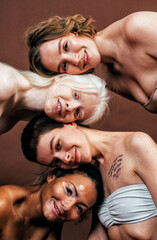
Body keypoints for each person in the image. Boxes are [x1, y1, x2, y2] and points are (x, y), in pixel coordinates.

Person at [21, 113, 157, 239]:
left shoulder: (137, 144)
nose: (65, 158)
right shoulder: (92, 176)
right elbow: (100, 234)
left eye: (58, 145)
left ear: (69, 124)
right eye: (56, 162)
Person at [27, 11, 157, 113]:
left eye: (66, 47)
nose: (75, 60)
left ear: (71, 31)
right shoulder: (110, 79)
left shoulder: (136, 27)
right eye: (64, 65)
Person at [0, 163, 104, 240]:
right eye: (69, 191)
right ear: (53, 175)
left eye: (79, 208)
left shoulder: (53, 224)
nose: (68, 207)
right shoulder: (2, 204)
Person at [0, 62, 108, 135]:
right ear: (62, 77)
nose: (70, 107)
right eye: (75, 95)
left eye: (77, 112)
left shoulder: (15, 115)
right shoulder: (6, 83)